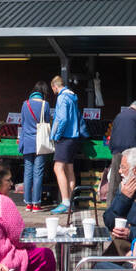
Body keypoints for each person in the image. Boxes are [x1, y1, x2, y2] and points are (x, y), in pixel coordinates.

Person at [49, 74, 86, 213]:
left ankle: (64, 202)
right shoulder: (73, 97)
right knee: (69, 169)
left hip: (64, 137)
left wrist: (57, 135)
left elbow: (62, 119)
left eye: (53, 88)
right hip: (74, 138)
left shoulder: (62, 97)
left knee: (58, 168)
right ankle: (69, 202)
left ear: (55, 86)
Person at [103, 147, 136, 244]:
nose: (119, 171)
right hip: (122, 246)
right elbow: (108, 221)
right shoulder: (124, 187)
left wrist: (132, 233)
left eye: (123, 167)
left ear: (135, 170)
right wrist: (123, 198)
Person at [107, 99, 136, 202]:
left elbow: (113, 133)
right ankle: (131, 205)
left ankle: (110, 205)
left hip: (117, 151)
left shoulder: (119, 116)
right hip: (131, 153)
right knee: (132, 178)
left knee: (115, 180)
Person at [18, 80, 53, 211]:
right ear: (43, 93)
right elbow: (47, 121)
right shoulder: (45, 104)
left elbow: (23, 122)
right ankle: (36, 204)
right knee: (38, 173)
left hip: (27, 142)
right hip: (41, 142)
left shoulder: (25, 104)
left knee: (28, 172)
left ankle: (27, 203)